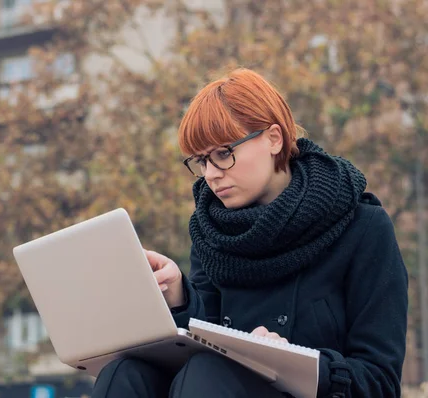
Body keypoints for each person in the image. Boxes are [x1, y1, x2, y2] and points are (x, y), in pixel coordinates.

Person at [91, 68, 408, 398]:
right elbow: (203, 336)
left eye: (223, 154)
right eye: (201, 161)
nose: (211, 175)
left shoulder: (362, 226)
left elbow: (380, 381)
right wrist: (177, 296)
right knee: (124, 373)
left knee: (208, 372)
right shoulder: (211, 230)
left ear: (274, 138)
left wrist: (295, 363)